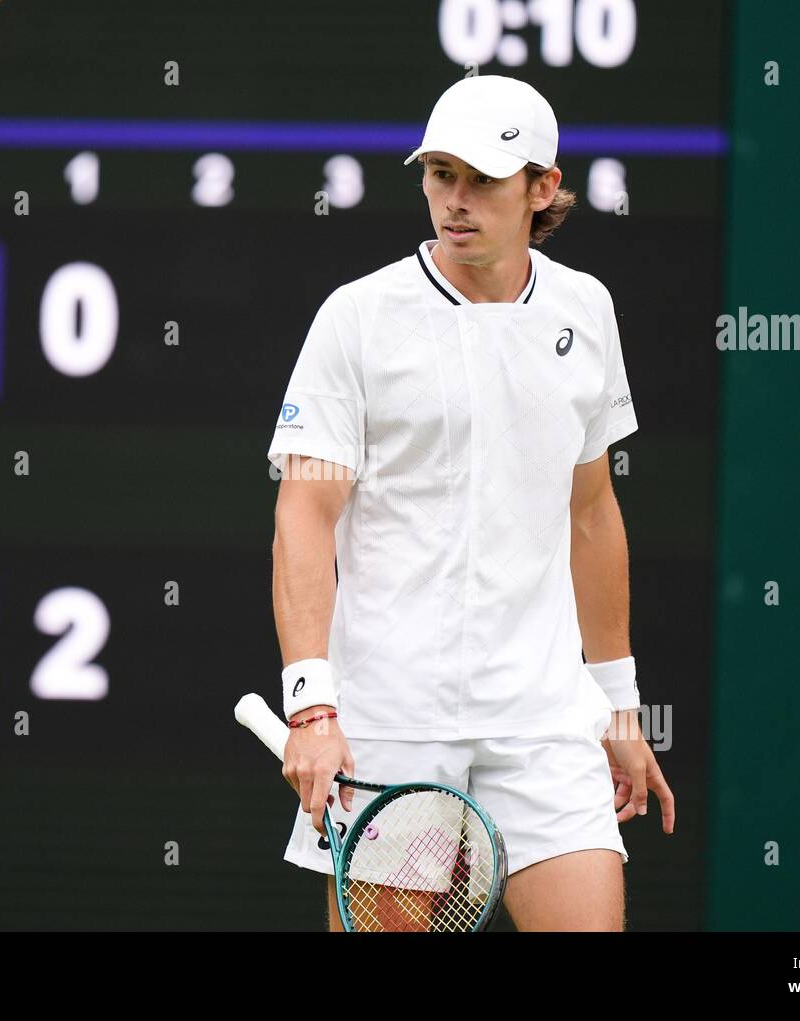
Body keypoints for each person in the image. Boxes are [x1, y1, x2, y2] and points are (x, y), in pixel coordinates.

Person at [266, 74, 675, 932]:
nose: (455, 200)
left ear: (543, 188)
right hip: (395, 725)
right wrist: (312, 705)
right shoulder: (357, 318)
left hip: (544, 721)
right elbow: (305, 512)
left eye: (482, 180)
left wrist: (619, 708)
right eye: (440, 174)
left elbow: (591, 512)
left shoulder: (586, 310)